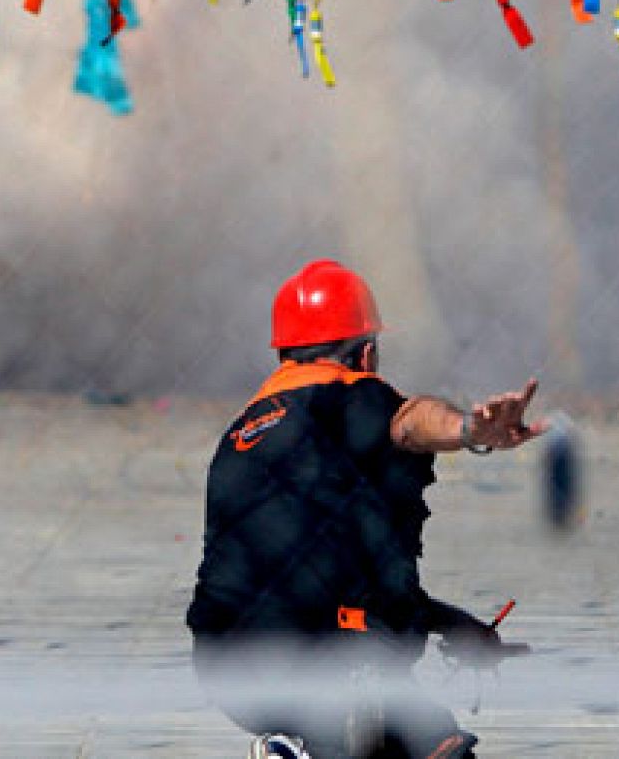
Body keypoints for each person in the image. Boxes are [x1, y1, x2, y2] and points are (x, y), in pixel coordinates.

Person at [187, 259, 544, 759]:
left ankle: (292, 745)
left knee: (405, 724)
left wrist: (455, 625)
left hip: (227, 665)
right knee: (423, 742)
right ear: (368, 354)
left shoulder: (243, 431)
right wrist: (469, 430)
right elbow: (410, 422)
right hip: (328, 655)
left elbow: (317, 572)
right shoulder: (352, 395)